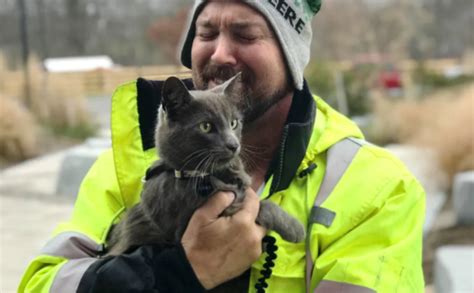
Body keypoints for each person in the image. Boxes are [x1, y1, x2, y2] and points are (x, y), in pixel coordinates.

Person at [19, 0, 426, 292]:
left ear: (291, 56)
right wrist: (172, 273)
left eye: (246, 34)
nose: (220, 53)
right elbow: (44, 284)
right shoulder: (126, 166)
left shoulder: (378, 188)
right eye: (206, 32)